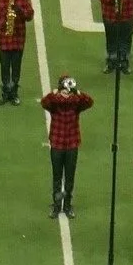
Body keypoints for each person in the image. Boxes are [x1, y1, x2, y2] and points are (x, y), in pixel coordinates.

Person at [40, 75, 93, 219]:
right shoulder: (55, 103)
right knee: (57, 176)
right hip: (57, 144)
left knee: (69, 177)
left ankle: (68, 205)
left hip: (71, 144)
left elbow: (89, 102)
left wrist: (77, 92)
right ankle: (57, 206)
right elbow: (44, 103)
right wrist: (55, 93)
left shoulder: (75, 102)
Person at [0, 0, 33, 105]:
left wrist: (19, 10)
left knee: (16, 68)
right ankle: (5, 92)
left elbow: (29, 16)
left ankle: (14, 93)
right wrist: (6, 20)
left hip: (18, 40)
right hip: (4, 40)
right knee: (4, 67)